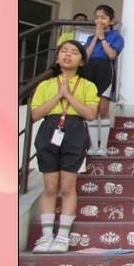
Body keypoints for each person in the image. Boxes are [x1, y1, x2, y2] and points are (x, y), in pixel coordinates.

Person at [30, 40, 99, 254]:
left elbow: (90, 114)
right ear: (57, 57)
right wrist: (58, 95)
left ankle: (62, 236)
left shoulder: (88, 86)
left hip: (75, 130)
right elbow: (35, 114)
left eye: (74, 52)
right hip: (50, 129)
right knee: (50, 186)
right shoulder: (45, 85)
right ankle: (46, 236)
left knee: (68, 186)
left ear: (82, 61)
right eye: (64, 51)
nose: (68, 55)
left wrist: (68, 95)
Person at [81, 4, 124, 156]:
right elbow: (85, 56)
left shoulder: (116, 36)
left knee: (103, 108)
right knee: (91, 108)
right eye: (97, 17)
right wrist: (95, 38)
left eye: (103, 18)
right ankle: (93, 146)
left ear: (111, 21)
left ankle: (103, 147)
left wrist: (103, 39)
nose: (99, 21)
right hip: (90, 70)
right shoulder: (89, 38)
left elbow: (112, 55)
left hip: (105, 69)